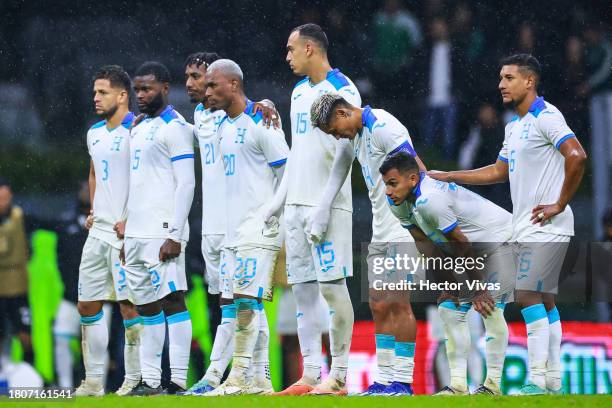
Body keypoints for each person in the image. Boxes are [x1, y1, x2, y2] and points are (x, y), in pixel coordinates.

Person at [429, 54, 587, 395]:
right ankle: (554, 382)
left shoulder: (547, 116)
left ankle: (536, 381)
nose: (501, 84)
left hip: (547, 223)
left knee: (527, 294)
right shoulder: (513, 126)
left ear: (529, 81)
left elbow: (577, 156)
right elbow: (499, 171)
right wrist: (452, 175)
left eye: (509, 77)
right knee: (544, 301)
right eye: (501, 77)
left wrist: (559, 203)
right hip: (529, 224)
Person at [265, 23, 361, 396]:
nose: (286, 57)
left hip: (329, 207)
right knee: (303, 291)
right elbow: (297, 151)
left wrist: (324, 206)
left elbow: (346, 151)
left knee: (333, 289)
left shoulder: (343, 89)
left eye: (290, 49)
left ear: (309, 48)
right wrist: (277, 202)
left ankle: (338, 376)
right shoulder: (298, 92)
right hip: (295, 206)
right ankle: (310, 374)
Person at [309, 92, 426, 396]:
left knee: (398, 303)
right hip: (380, 229)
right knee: (377, 303)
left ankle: (403, 381)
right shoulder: (355, 136)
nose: (337, 137)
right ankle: (385, 380)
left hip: (403, 228)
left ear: (343, 113)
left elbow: (415, 172)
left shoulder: (385, 127)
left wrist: (422, 223)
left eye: (335, 130)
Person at [182, 52, 280, 395]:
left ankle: (226, 376)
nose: (195, 86)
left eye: (202, 79)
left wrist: (264, 103)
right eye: (194, 79)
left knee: (242, 301)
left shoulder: (253, 118)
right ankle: (256, 379)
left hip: (249, 223)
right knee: (235, 303)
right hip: (217, 226)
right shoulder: (207, 119)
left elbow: (284, 167)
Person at [380, 151, 515, 395]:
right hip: (473, 252)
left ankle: (493, 387)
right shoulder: (398, 203)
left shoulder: (430, 200)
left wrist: (477, 289)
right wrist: (448, 285)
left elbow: (461, 244)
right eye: (386, 185)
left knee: (489, 307)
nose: (388, 191)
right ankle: (458, 387)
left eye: (392, 183)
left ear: (412, 179)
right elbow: (427, 247)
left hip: (502, 242)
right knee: (448, 309)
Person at [123, 61, 195, 395]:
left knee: (171, 299)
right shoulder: (137, 127)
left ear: (165, 88)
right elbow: (134, 182)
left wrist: (175, 233)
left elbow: (186, 183)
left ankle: (178, 380)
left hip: (163, 230)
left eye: (147, 88)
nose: (140, 95)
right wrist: (127, 231)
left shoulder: (175, 127)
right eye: (137, 89)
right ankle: (150, 381)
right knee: (145, 305)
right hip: (137, 232)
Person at [76, 65, 141, 396]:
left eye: (102, 92)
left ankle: (133, 379)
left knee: (129, 306)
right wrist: (93, 207)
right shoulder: (94, 133)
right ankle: (93, 382)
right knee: (87, 304)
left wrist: (132, 219)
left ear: (122, 95)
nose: (96, 98)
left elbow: (149, 181)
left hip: (126, 234)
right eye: (94, 93)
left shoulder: (139, 131)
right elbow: (93, 173)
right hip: (98, 231)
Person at [0, 179, 33, 368]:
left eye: (5, 198)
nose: (2, 203)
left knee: (25, 336)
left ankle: (31, 376)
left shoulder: (21, 217)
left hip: (18, 290)